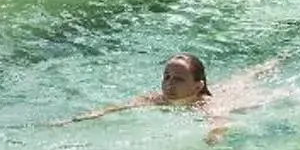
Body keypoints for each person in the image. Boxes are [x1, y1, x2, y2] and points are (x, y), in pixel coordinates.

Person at [61, 53, 209, 124]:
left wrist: (214, 135)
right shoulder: (155, 99)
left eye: (179, 79)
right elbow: (119, 108)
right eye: (167, 77)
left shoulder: (205, 105)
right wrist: (79, 119)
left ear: (198, 86)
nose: (170, 84)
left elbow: (219, 121)